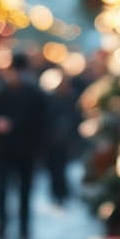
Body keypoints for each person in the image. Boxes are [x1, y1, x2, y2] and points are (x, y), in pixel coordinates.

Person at [0, 52, 46, 239]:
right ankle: (22, 226)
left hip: (7, 148)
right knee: (23, 189)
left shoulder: (1, 89)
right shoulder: (32, 91)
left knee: (4, 188)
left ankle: (4, 224)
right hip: (20, 149)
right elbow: (43, 121)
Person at [43, 68, 82, 206]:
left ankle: (62, 192)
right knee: (54, 168)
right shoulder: (49, 99)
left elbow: (75, 118)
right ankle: (57, 193)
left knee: (62, 167)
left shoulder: (70, 97)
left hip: (64, 139)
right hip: (52, 140)